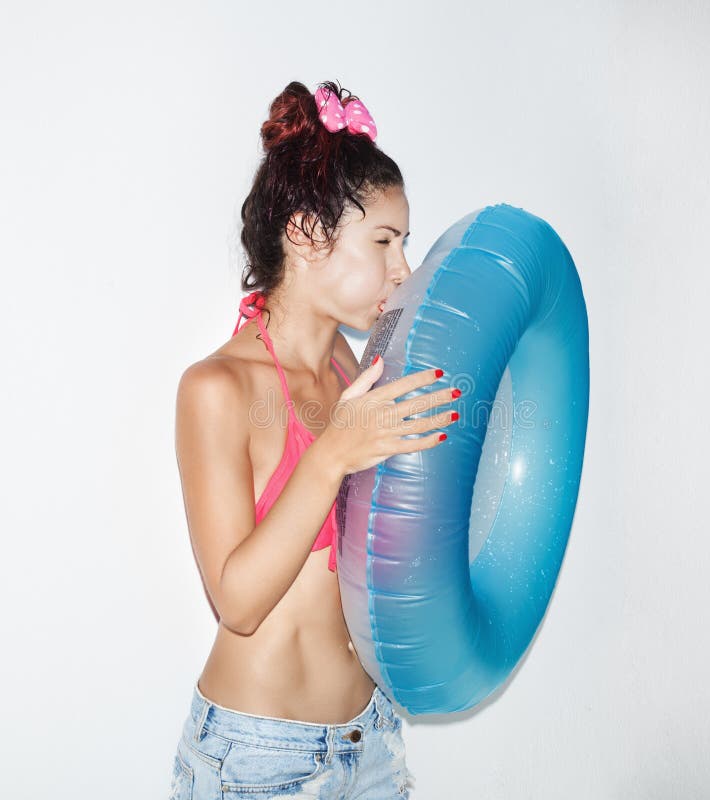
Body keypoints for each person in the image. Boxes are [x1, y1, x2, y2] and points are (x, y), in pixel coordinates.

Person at [167, 80, 458, 799]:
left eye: (406, 243)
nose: (404, 271)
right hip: (258, 758)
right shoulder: (217, 390)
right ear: (303, 232)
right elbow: (237, 601)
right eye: (385, 241)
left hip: (371, 743)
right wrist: (332, 454)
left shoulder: (357, 371)